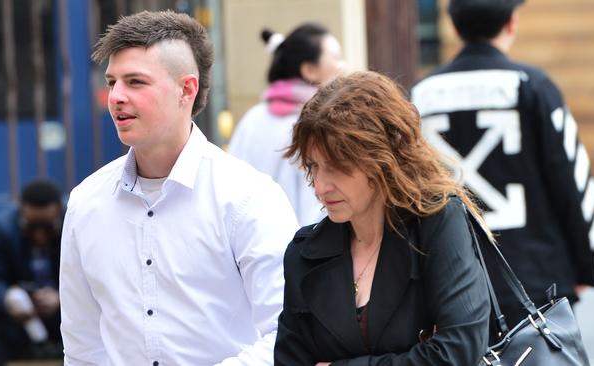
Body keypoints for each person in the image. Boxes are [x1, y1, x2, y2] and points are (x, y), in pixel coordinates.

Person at [60, 11, 298, 365]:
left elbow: (287, 331)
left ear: (186, 89)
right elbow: (82, 346)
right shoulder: (86, 202)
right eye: (112, 82)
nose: (116, 97)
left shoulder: (249, 197)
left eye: (135, 82)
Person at [274, 71, 491, 365]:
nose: (322, 185)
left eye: (338, 166)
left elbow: (459, 351)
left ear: (383, 159)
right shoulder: (304, 253)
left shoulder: (437, 223)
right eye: (314, 166)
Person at [411, 0, 594, 328]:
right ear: (511, 23)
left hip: (449, 276)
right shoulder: (534, 86)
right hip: (537, 276)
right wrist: (585, 266)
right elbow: (572, 181)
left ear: (455, 28)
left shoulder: (419, 94)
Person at [229, 23, 345, 226]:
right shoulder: (315, 125)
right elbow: (315, 210)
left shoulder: (252, 118)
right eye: (336, 57)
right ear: (309, 70)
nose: (342, 66)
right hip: (303, 248)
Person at [0, 180, 63, 365]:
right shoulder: (2, 228)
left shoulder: (77, 224)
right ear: (21, 214)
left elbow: (96, 280)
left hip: (65, 317)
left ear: (59, 214)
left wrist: (62, 298)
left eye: (47, 227)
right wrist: (8, 297)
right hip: (20, 320)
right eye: (31, 227)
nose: (39, 234)